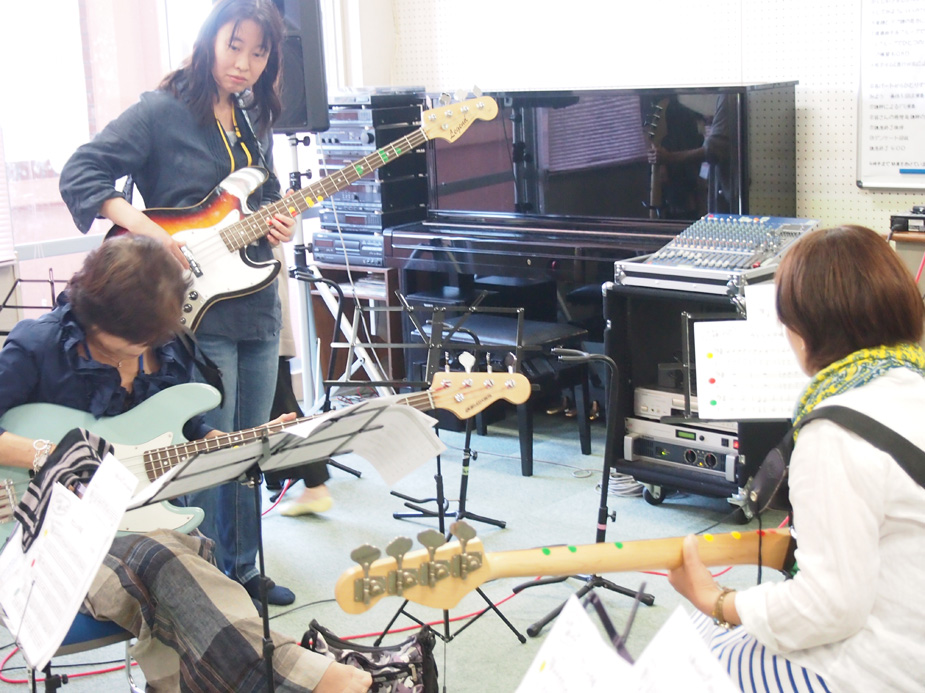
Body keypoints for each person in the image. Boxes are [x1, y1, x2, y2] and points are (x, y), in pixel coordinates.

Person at [0, 236, 370, 692]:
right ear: (90, 316)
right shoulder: (38, 346)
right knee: (166, 561)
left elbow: (187, 430)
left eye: (144, 343)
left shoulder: (170, 348)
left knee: (184, 567)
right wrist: (54, 455)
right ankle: (315, 678)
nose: (132, 356)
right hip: (53, 537)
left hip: (142, 521)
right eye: (116, 347)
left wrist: (244, 445)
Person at [59, 0, 297, 604]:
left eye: (258, 52)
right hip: (196, 308)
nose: (243, 63)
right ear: (209, 40)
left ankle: (243, 569)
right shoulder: (160, 111)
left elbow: (261, 198)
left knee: (250, 446)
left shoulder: (252, 118)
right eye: (234, 46)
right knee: (208, 450)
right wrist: (154, 235)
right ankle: (205, 582)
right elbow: (82, 172)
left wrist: (279, 222)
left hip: (258, 302)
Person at [668, 225, 925, 691]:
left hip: (890, 665)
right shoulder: (913, 382)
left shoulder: (835, 433)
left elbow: (829, 607)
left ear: (804, 330)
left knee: (693, 656)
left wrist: (718, 600)